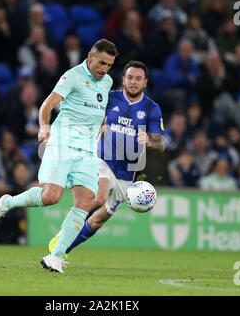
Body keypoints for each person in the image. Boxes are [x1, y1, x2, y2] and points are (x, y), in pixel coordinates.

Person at [0, 39, 118, 273]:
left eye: (109, 65)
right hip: (62, 142)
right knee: (51, 197)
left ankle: (55, 256)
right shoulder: (72, 76)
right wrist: (44, 126)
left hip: (86, 149)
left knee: (86, 201)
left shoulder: (107, 82)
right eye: (101, 63)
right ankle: (7, 202)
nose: (104, 69)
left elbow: (98, 109)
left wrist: (104, 124)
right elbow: (47, 104)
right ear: (90, 57)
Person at [48, 60, 165, 259]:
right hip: (101, 159)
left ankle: (63, 249)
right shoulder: (109, 98)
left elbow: (161, 143)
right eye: (130, 78)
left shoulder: (152, 109)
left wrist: (150, 141)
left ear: (145, 82)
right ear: (123, 80)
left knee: (97, 221)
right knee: (99, 197)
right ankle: (62, 241)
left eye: (138, 79)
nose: (133, 82)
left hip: (126, 174)